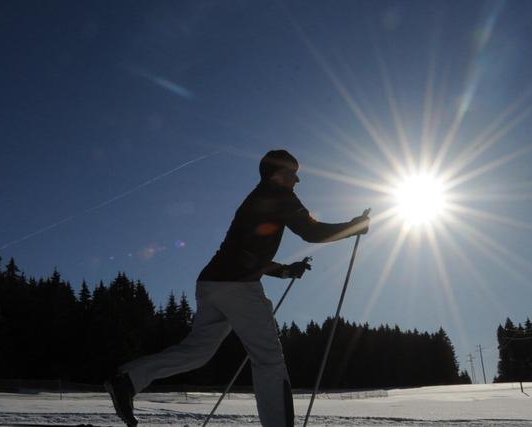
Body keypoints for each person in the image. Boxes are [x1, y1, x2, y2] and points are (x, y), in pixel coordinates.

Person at [104, 150, 370, 427]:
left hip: (211, 282)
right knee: (268, 359)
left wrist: (285, 271)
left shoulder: (256, 200)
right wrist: (354, 227)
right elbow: (311, 231)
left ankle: (128, 380)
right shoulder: (279, 196)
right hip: (238, 286)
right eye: (293, 173)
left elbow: (245, 254)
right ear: (276, 173)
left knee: (197, 351)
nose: (297, 179)